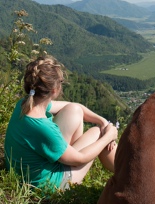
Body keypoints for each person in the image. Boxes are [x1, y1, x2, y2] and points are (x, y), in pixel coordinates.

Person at [4, 55, 118, 192]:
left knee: (74, 110)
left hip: (25, 173)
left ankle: (122, 169)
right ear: (54, 90)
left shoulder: (24, 105)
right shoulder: (43, 128)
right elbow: (81, 159)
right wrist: (108, 136)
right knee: (98, 133)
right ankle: (125, 173)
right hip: (46, 185)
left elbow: (74, 105)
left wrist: (103, 121)